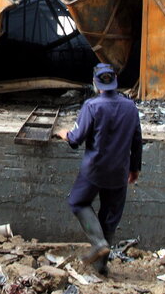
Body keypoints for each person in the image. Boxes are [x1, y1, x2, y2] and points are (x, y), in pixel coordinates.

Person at [55, 63, 142, 274]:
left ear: (95, 83)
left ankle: (99, 243)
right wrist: (135, 168)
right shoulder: (130, 107)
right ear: (115, 82)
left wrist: (63, 132)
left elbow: (76, 140)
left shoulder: (92, 106)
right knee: (110, 217)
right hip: (120, 171)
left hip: (94, 170)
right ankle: (101, 267)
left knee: (78, 201)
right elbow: (137, 140)